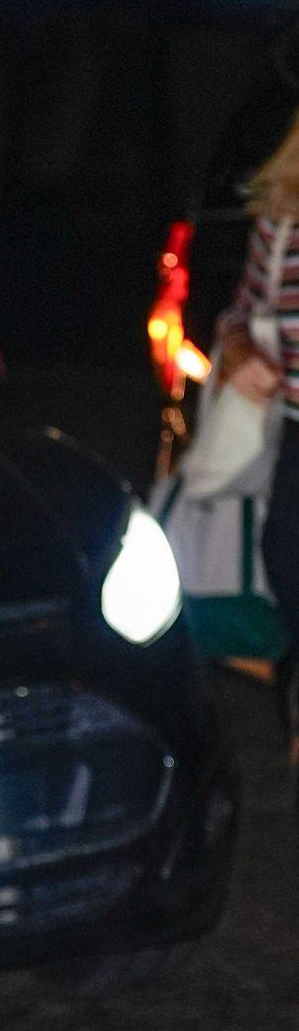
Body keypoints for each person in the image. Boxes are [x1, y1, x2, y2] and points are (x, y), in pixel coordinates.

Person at [210, 103, 299, 759]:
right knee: (284, 562)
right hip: (291, 433)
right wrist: (241, 352)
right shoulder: (284, 216)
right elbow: (239, 313)